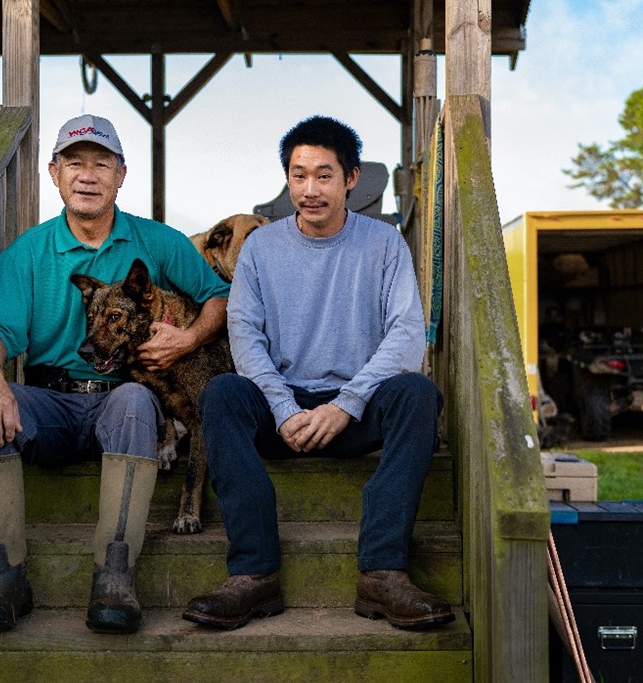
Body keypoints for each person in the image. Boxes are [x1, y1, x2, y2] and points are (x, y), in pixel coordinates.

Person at [0, 114, 229, 635]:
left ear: (121, 175)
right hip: (51, 403)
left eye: (101, 164)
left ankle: (115, 575)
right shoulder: (28, 254)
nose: (88, 175)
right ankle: (3, 577)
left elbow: (218, 297)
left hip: (123, 401)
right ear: (53, 173)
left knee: (132, 400)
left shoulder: (157, 241)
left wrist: (189, 339)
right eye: (74, 163)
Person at [182, 115, 454, 631]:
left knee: (417, 393)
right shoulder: (261, 248)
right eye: (298, 175)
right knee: (221, 394)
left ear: (351, 179)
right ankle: (253, 575)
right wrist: (284, 409)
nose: (309, 189)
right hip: (281, 409)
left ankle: (382, 572)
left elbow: (405, 335)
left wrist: (346, 405)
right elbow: (245, 337)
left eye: (323, 175)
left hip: (354, 411)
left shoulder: (385, 243)